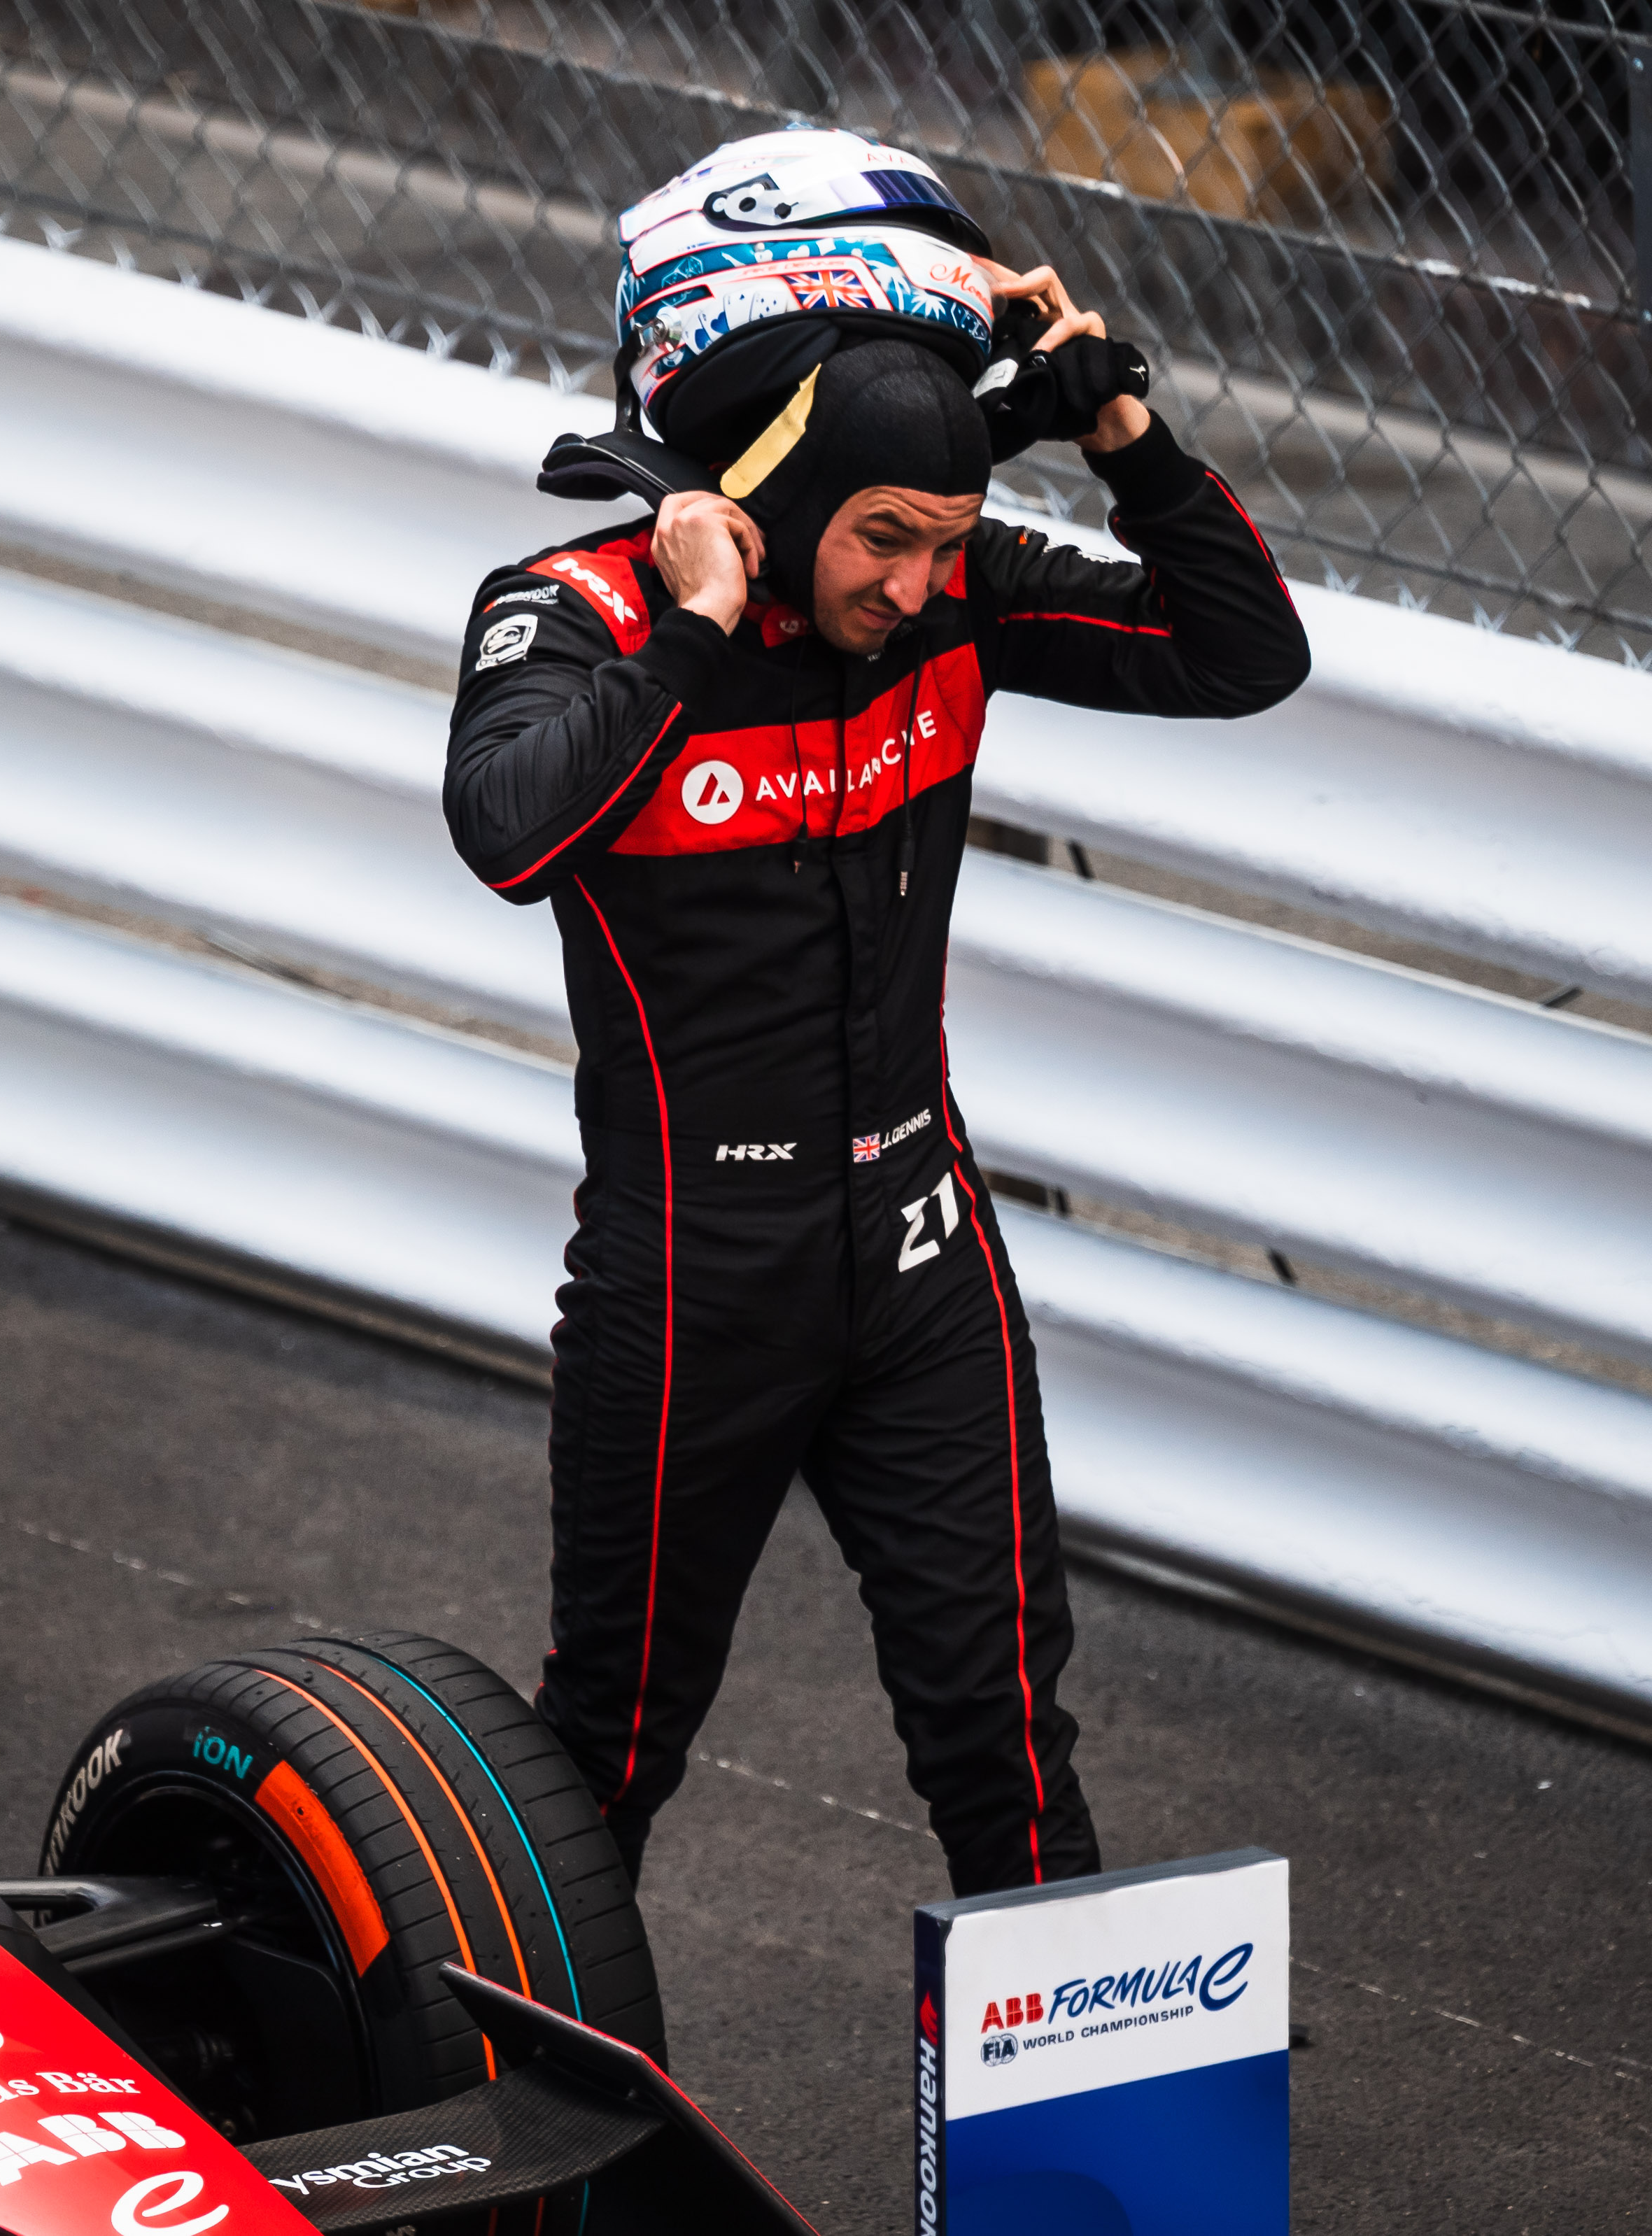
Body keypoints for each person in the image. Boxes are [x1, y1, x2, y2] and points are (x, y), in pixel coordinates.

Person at [444, 130, 1310, 1897]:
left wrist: (1121, 431)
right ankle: (530, 2164)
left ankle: (1081, 2180)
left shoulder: (962, 597)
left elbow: (1243, 657)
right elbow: (506, 833)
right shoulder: (581, 611)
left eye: (948, 541)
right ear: (768, 501)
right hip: (695, 1279)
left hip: (921, 1254)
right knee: (606, 1754)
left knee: (1007, 1748)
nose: (919, 585)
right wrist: (688, 640)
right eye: (886, 541)